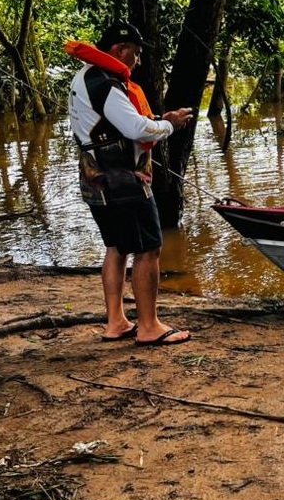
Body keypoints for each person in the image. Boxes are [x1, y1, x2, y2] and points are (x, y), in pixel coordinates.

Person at [67, 21, 194, 347]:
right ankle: (149, 326)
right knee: (148, 248)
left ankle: (116, 322)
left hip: (96, 178)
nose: (137, 62)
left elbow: (119, 124)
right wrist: (168, 124)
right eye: (135, 54)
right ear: (119, 50)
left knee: (117, 246)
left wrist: (157, 121)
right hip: (122, 180)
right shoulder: (105, 84)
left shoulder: (84, 79)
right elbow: (137, 130)